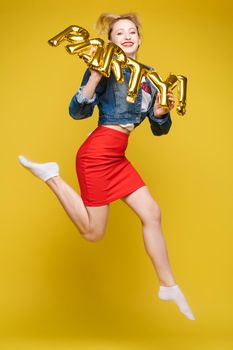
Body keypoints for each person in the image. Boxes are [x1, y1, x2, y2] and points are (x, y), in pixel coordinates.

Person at [18, 12, 195, 320]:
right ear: (110, 41)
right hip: (98, 153)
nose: (126, 36)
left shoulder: (151, 79)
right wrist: (96, 76)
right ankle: (51, 176)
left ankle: (168, 285)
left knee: (152, 213)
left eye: (132, 32)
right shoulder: (104, 68)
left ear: (139, 38)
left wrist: (161, 111)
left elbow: (159, 128)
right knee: (92, 232)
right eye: (119, 33)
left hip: (117, 156)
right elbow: (77, 112)